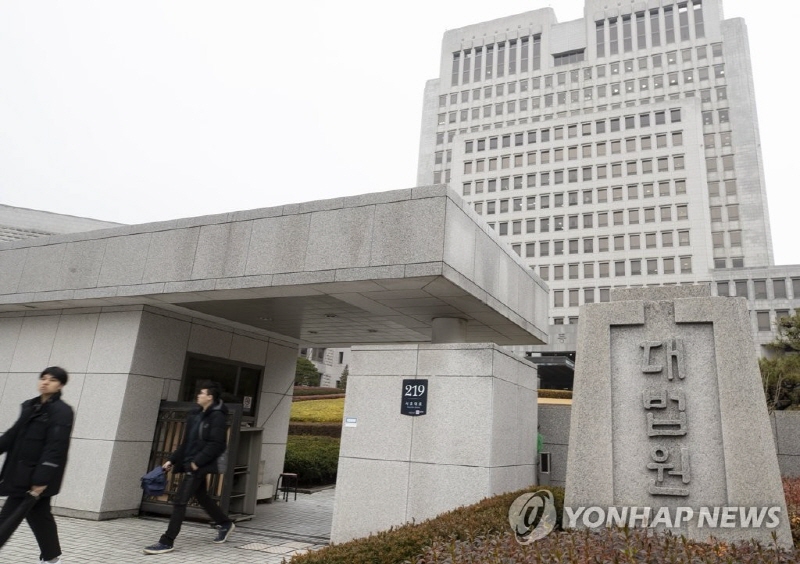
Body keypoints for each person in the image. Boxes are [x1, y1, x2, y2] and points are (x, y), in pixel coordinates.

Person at [143, 381, 235, 554]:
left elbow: (217, 444)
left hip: (198, 466)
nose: (198, 395)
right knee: (202, 496)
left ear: (210, 397)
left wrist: (197, 462)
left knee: (180, 501)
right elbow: (186, 443)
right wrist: (171, 460)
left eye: (202, 393)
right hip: (190, 462)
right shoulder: (196, 415)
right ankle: (224, 523)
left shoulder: (217, 417)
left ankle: (167, 541)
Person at [0, 367, 74, 564]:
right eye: (43, 378)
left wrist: (41, 480)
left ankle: (52, 558)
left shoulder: (62, 411)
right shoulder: (30, 406)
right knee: (40, 517)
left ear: (60, 385)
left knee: (7, 517)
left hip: (35, 477)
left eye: (52, 380)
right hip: (21, 472)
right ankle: (52, 558)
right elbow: (12, 434)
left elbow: (55, 447)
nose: (45, 382)